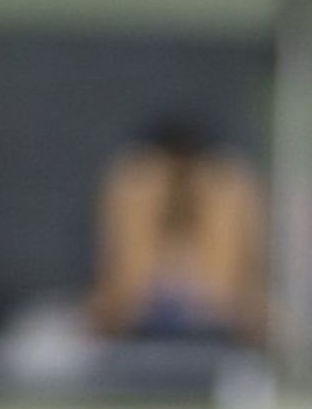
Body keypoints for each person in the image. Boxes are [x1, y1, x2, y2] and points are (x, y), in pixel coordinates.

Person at [88, 118, 265, 343]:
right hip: (140, 310)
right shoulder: (137, 184)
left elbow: (234, 283)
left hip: (218, 311)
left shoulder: (224, 184)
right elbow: (122, 280)